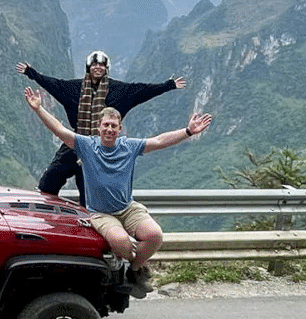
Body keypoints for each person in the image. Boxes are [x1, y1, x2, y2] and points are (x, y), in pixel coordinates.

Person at [25, 85, 211, 298]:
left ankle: (133, 271)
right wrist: (39, 109)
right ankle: (136, 268)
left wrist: (188, 131)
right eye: (106, 125)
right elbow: (59, 130)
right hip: (100, 213)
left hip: (127, 208)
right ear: (99, 127)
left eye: (114, 126)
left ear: (120, 129)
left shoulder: (129, 147)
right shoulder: (86, 146)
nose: (109, 129)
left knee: (154, 236)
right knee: (121, 242)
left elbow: (159, 141)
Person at [17, 50, 186, 206]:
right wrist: (31, 73)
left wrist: (168, 85)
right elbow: (52, 84)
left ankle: (89, 229)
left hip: (99, 150)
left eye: (102, 64)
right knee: (49, 181)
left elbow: (143, 91)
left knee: (89, 196)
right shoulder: (73, 89)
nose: (98, 67)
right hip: (76, 141)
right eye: (94, 64)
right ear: (88, 67)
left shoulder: (119, 91)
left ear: (107, 68)